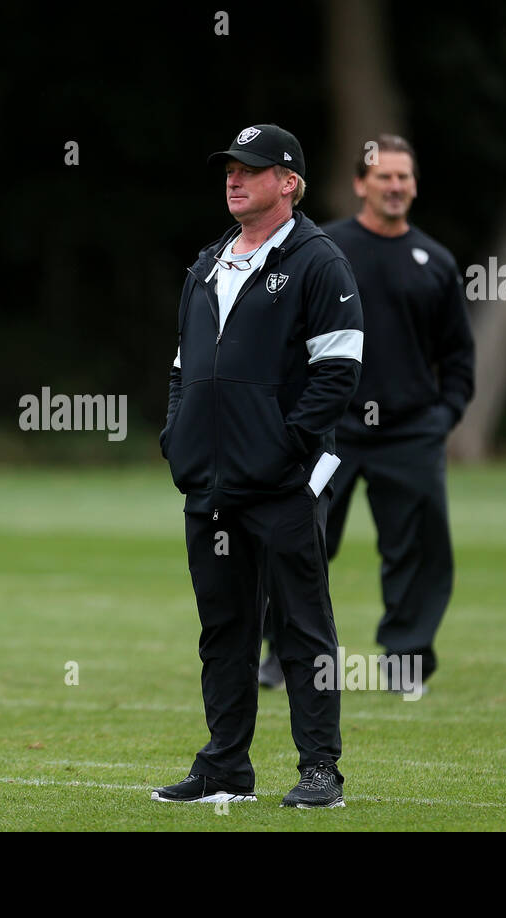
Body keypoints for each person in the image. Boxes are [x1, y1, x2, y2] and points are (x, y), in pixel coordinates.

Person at [153, 124, 363, 808]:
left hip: (280, 483)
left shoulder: (317, 261)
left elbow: (339, 372)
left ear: (288, 182)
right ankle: (224, 767)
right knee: (224, 629)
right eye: (229, 170)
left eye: (250, 169)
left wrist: (284, 447)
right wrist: (177, 435)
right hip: (210, 485)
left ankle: (320, 771)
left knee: (303, 628)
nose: (233, 179)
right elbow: (186, 368)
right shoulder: (209, 261)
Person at [260, 134, 473, 695]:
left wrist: (443, 416)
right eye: (384, 176)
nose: (396, 186)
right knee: (297, 537)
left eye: (404, 177)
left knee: (416, 550)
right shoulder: (320, 249)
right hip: (331, 429)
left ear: (415, 185)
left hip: (411, 433)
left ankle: (406, 662)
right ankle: (283, 654)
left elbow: (457, 355)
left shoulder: (436, 262)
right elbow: (282, 338)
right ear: (360, 184)